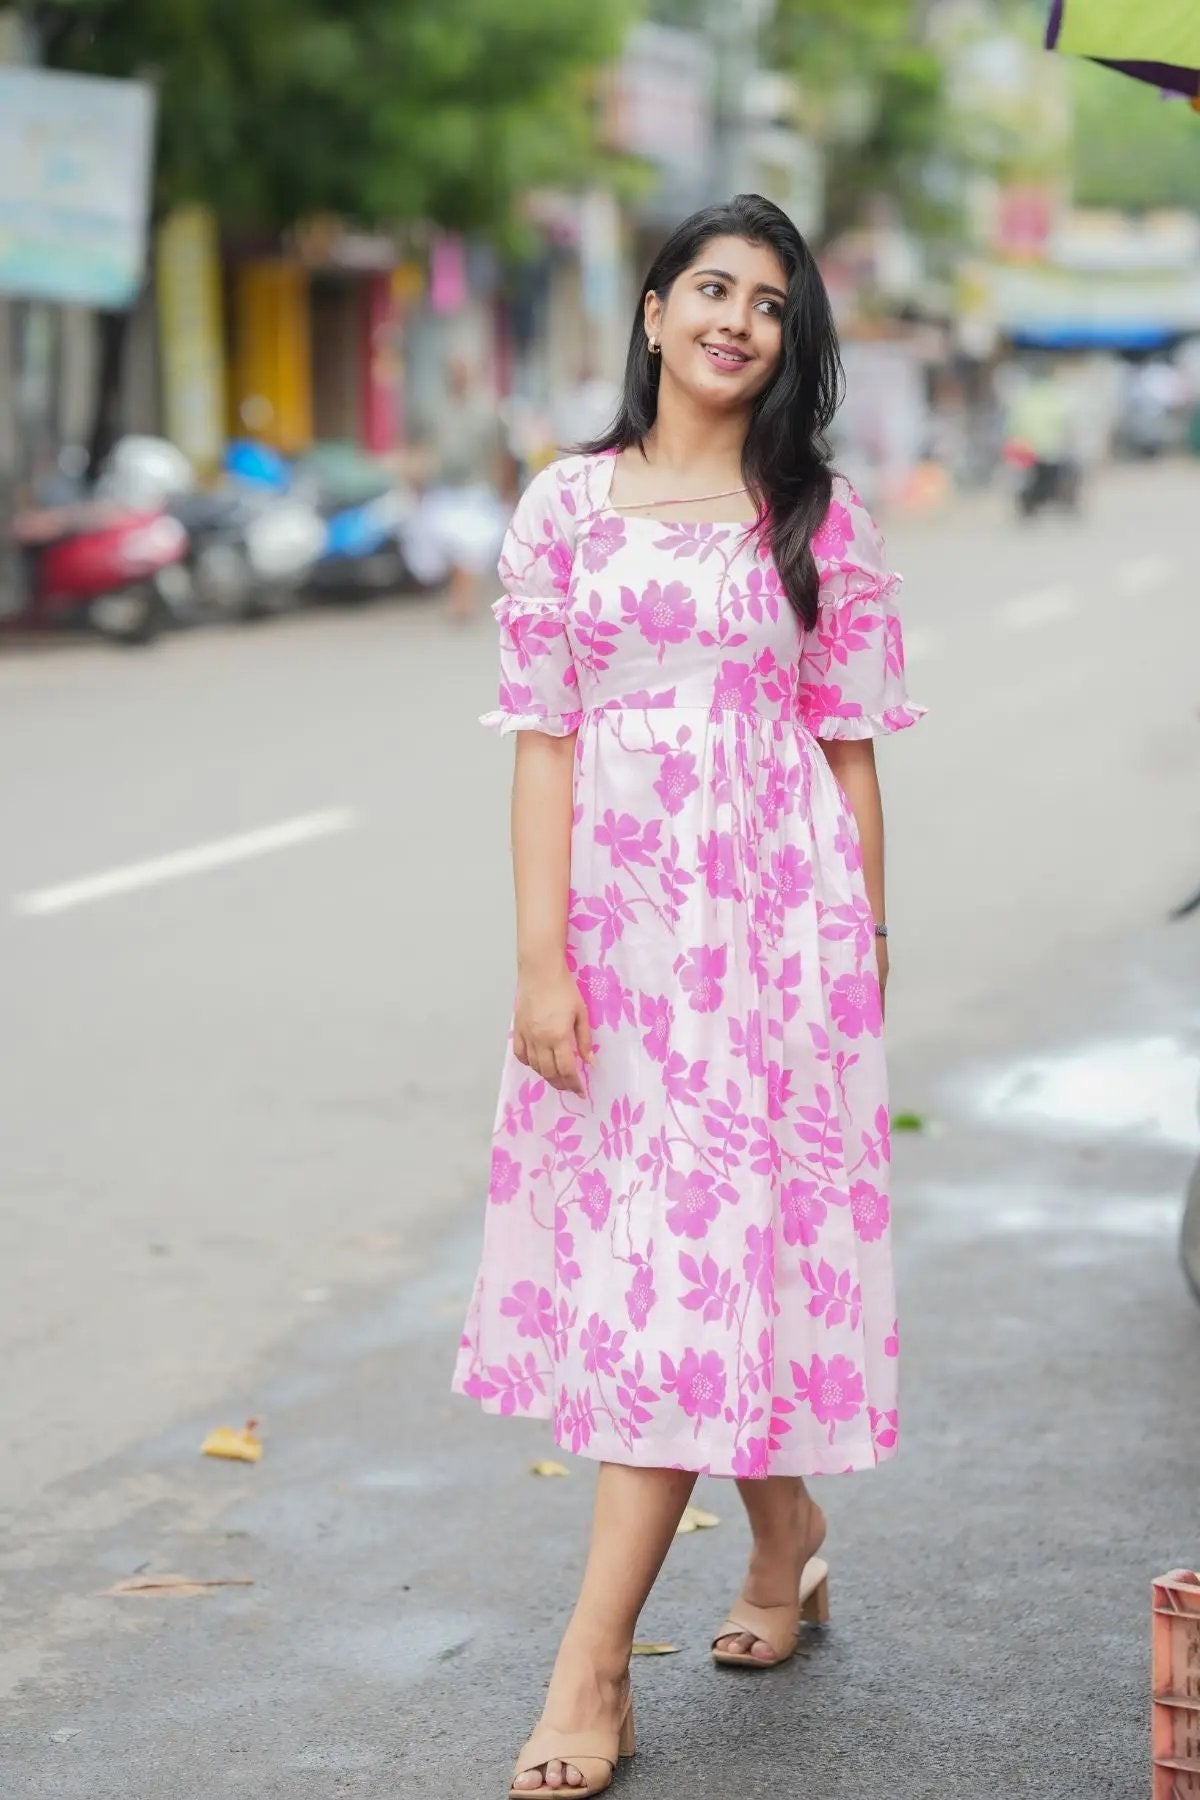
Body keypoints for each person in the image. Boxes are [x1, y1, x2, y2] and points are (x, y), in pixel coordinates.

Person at [452, 193, 925, 1797]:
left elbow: (848, 746)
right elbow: (543, 742)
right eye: (710, 288)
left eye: (771, 304)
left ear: (790, 344)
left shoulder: (816, 516)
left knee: (697, 1271)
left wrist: (859, 947)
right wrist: (540, 963)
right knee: (674, 1273)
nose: (738, 318)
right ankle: (782, 1532)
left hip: (777, 945)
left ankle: (591, 1670)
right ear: (652, 312)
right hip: (624, 949)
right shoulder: (566, 509)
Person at [420, 353, 509, 622]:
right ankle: (460, 597)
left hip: (476, 491)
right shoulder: (435, 410)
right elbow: (426, 449)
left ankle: (462, 603)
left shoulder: (487, 411)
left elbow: (499, 452)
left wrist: (505, 489)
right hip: (444, 490)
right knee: (447, 547)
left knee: (467, 548)